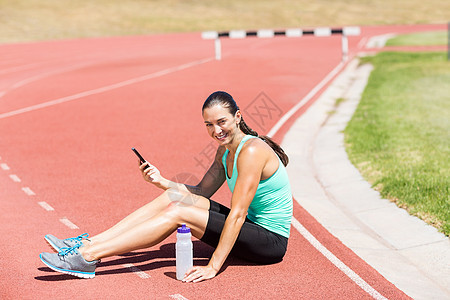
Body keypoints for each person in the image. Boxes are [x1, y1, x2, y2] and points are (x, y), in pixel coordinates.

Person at [39, 91, 293, 282]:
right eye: (208, 125)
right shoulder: (225, 151)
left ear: (237, 117)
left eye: (222, 122)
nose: (216, 130)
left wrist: (213, 267)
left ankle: (88, 257)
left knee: (178, 213)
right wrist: (162, 182)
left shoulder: (250, 152)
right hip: (252, 228)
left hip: (269, 242)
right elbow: (201, 192)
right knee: (173, 198)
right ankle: (85, 245)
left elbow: (237, 214)